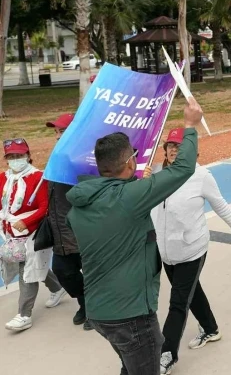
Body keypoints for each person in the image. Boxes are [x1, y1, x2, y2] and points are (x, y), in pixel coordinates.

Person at [65, 99, 203, 372]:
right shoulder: (129, 198)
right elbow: (183, 169)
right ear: (129, 162)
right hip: (132, 315)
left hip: (100, 311)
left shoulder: (79, 205)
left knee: (129, 366)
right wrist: (190, 125)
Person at [145, 128, 231, 375]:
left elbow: (220, 205)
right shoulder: (157, 174)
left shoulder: (201, 175)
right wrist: (143, 183)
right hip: (166, 251)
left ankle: (166, 354)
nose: (174, 149)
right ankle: (211, 328)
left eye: (180, 145)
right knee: (191, 291)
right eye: (171, 145)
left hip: (192, 250)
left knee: (178, 302)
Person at [1, 138, 65, 332]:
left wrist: (27, 221)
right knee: (34, 266)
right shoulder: (3, 178)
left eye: (19, 155)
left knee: (27, 271)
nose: (15, 159)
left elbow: (45, 206)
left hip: (33, 232)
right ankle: (57, 287)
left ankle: (24, 315)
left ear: (28, 155)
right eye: (11, 156)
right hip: (10, 232)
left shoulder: (38, 177)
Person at [45, 113, 91, 330]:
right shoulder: (57, 156)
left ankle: (95, 309)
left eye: (62, 131)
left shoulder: (85, 159)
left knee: (93, 274)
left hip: (82, 232)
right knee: (63, 271)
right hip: (60, 232)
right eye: (56, 132)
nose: (57, 136)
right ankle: (85, 302)